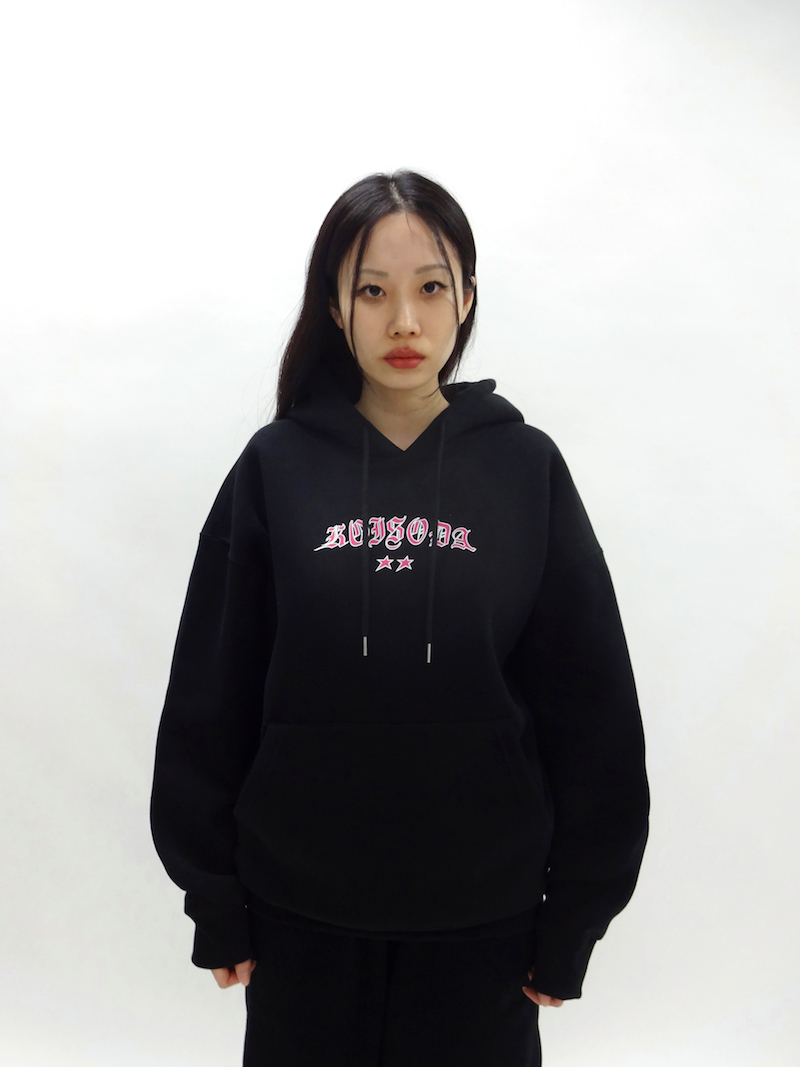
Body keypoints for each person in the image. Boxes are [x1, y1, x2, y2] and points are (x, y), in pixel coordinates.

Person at [150, 169, 650, 1066]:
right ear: (335, 306)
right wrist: (214, 897)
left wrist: (575, 915)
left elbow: (593, 707)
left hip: (485, 927)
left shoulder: (525, 469)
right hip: (299, 921)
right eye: (373, 292)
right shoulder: (276, 467)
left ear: (468, 298)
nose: (405, 322)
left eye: (430, 288)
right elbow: (209, 694)